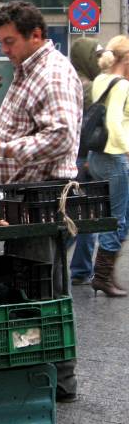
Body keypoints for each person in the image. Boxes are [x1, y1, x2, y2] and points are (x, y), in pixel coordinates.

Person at [0, 0, 82, 403]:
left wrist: (5, 151)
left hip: (42, 198)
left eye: (10, 42)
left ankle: (59, 382)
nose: (5, 49)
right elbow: (16, 129)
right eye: (1, 42)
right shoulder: (25, 71)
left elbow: (62, 137)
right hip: (20, 198)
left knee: (44, 289)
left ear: (36, 35)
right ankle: (37, 373)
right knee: (29, 286)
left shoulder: (51, 73)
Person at [87, 35, 129, 298]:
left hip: (96, 156)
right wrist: (126, 148)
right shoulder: (122, 84)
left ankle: (104, 274)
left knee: (114, 217)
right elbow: (114, 121)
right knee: (118, 220)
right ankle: (102, 277)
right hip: (114, 156)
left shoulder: (100, 80)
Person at [68, 38, 103, 285]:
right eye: (96, 57)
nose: (99, 62)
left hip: (75, 157)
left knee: (77, 215)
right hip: (84, 157)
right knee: (87, 216)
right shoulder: (88, 87)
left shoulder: (70, 81)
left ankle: (79, 268)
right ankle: (80, 270)